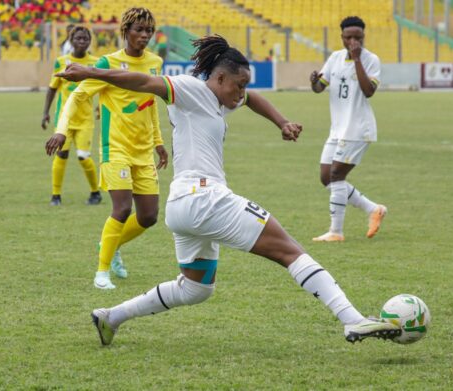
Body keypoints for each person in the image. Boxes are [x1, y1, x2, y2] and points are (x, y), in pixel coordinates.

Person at [56, 34, 401, 346]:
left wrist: (282, 123)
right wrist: (92, 72)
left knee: (195, 288)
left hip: (183, 207)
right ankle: (353, 320)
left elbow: (251, 100)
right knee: (290, 250)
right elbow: (144, 80)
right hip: (205, 198)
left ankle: (110, 317)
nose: (241, 92)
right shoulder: (190, 89)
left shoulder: (221, 98)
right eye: (238, 84)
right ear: (218, 78)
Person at [46, 7, 168, 290]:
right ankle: (101, 273)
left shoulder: (155, 62)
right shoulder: (106, 62)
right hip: (115, 149)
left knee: (149, 216)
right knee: (122, 208)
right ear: (125, 31)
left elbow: (150, 104)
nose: (145, 36)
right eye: (139, 30)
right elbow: (76, 97)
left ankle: (110, 244)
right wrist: (61, 131)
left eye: (149, 31)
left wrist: (159, 143)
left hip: (143, 150)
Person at [309, 16, 387, 242]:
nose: (353, 41)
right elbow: (318, 88)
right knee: (327, 178)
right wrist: (314, 81)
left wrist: (357, 60)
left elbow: (368, 91)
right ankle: (374, 209)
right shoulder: (334, 58)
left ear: (364, 37)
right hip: (337, 129)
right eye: (348, 37)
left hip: (358, 128)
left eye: (358, 37)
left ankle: (336, 231)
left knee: (336, 175)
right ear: (341, 37)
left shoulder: (371, 60)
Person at [41, 26, 102, 206]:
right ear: (71, 40)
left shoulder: (96, 63)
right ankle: (56, 195)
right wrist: (45, 112)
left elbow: (105, 87)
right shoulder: (61, 61)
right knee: (61, 155)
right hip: (64, 120)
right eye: (78, 38)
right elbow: (52, 88)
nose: (82, 42)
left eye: (85, 39)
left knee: (83, 156)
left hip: (85, 120)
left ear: (90, 41)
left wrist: (100, 106)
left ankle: (95, 193)